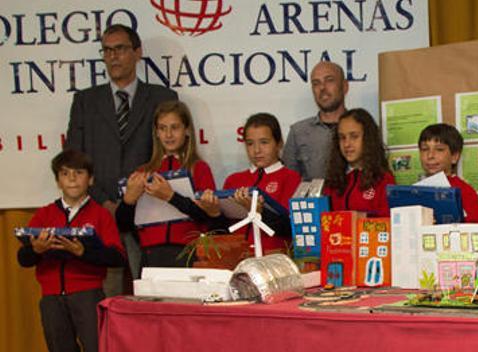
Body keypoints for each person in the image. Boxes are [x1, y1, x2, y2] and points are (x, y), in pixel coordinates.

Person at [17, 150, 125, 352]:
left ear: (89, 179)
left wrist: (82, 252)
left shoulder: (100, 215)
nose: (72, 179)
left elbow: (116, 257)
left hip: (87, 295)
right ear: (58, 181)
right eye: (66, 174)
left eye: (78, 173)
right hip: (52, 299)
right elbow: (23, 259)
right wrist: (36, 249)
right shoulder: (44, 215)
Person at [65, 24, 177, 290]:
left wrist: (136, 196)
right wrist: (104, 201)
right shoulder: (85, 101)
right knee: (107, 295)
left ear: (137, 52)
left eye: (120, 49)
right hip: (100, 208)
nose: (113, 56)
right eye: (107, 50)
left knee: (152, 292)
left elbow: (170, 154)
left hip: (149, 208)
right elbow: (74, 158)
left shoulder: (163, 97)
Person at [115, 101, 218, 269]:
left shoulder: (198, 168)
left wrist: (171, 197)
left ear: (187, 130)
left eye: (175, 127)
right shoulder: (143, 171)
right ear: (156, 132)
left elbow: (208, 217)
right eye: (162, 128)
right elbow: (123, 225)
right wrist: (128, 201)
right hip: (150, 255)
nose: (168, 134)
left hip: (188, 253)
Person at [201, 113, 301, 254]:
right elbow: (223, 233)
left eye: (264, 142)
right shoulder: (233, 180)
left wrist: (260, 212)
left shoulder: (291, 178)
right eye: (250, 143)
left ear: (279, 144)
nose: (257, 150)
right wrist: (214, 214)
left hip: (274, 259)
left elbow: (291, 229)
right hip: (236, 260)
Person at [281, 61, 348, 180]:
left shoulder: (362, 127)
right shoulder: (298, 132)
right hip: (313, 198)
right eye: (316, 83)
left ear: (345, 86)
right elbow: (288, 184)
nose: (322, 87)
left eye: (329, 80)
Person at [323, 108, 396, 216]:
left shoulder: (383, 180)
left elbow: (388, 219)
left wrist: (360, 217)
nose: (347, 144)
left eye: (354, 136)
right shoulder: (333, 182)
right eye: (342, 137)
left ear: (368, 138)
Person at [418, 123, 478, 223]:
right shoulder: (415, 190)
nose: (430, 155)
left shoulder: (465, 191)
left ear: (454, 156)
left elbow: (476, 227)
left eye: (439, 149)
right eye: (425, 149)